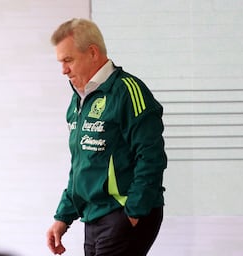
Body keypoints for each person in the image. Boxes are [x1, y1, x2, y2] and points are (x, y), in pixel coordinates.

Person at [46, 18, 167, 256]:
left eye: (68, 60)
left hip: (123, 212)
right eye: (61, 62)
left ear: (92, 52)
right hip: (94, 216)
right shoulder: (79, 99)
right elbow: (82, 166)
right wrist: (63, 217)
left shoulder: (128, 91)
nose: (63, 70)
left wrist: (133, 213)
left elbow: (151, 156)